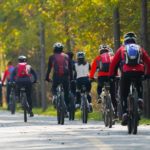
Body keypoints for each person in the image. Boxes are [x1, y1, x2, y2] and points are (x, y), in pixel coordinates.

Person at [109, 32, 150, 125]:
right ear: (134, 40)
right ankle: (139, 98)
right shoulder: (140, 48)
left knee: (123, 93)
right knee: (139, 83)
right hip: (139, 71)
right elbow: (148, 61)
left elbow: (113, 63)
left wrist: (111, 75)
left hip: (126, 72)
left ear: (125, 40)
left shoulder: (122, 49)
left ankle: (124, 113)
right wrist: (147, 74)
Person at [89, 44, 117, 116]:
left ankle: (99, 98)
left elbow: (93, 70)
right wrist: (116, 75)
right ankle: (116, 112)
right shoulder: (112, 56)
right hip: (111, 76)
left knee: (99, 87)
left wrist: (91, 77)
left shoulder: (98, 58)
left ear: (100, 51)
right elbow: (116, 66)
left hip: (101, 77)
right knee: (113, 94)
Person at [45, 42, 72, 113]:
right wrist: (71, 78)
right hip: (65, 77)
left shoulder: (51, 57)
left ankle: (55, 97)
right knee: (66, 92)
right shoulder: (67, 56)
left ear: (54, 49)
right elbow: (70, 68)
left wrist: (47, 78)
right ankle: (66, 108)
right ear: (62, 49)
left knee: (54, 88)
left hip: (56, 77)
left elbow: (49, 69)